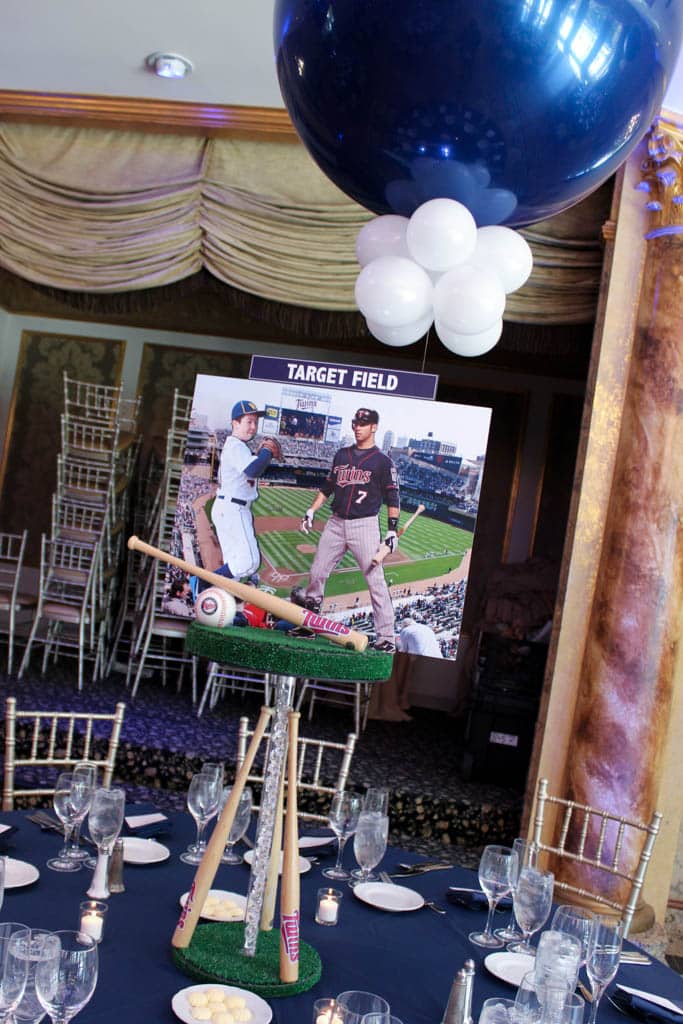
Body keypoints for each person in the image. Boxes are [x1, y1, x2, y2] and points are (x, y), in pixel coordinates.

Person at [300, 407, 399, 652]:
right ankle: (309, 625)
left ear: (374, 427)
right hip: (335, 523)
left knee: (375, 581)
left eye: (363, 424)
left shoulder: (383, 462)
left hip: (364, 526)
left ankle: (386, 637)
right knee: (317, 572)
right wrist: (311, 510)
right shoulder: (342, 455)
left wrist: (391, 531)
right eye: (355, 423)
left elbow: (393, 496)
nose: (357, 427)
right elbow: (327, 486)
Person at [197, 399, 282, 597]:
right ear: (235, 423)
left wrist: (262, 454)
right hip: (233, 510)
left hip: (231, 508)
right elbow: (253, 469)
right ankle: (201, 583)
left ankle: (211, 600)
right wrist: (267, 452)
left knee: (234, 569)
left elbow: (253, 465)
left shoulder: (240, 448)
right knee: (248, 562)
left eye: (255, 422)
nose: (253, 427)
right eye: (248, 421)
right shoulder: (235, 446)